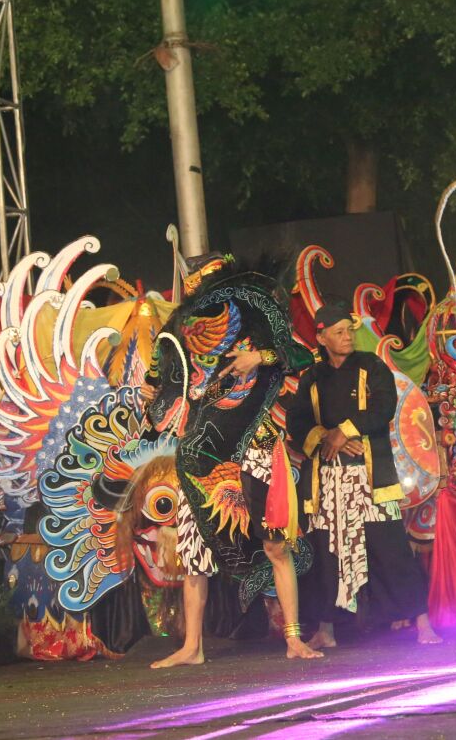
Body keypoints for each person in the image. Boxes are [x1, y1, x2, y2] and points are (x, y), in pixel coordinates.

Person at [138, 255, 322, 666]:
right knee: (194, 552)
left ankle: (293, 638)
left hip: (254, 449)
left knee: (275, 544)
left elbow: (304, 355)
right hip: (203, 454)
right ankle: (192, 647)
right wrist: (156, 395)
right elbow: (172, 389)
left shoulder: (257, 324)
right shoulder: (185, 335)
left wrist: (259, 358)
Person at [287, 301, 441, 647]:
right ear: (322, 337)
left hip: (372, 479)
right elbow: (297, 422)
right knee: (327, 554)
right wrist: (328, 438)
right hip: (328, 481)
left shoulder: (371, 366)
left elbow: (383, 407)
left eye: (349, 331)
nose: (348, 337)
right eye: (339, 332)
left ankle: (422, 623)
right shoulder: (312, 377)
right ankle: (326, 631)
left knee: (391, 549)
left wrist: (346, 431)